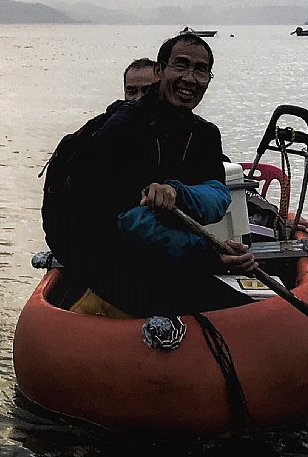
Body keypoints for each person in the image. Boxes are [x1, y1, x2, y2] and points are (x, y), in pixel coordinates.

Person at [45, 32, 256, 317]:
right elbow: (133, 222)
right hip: (102, 250)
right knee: (205, 309)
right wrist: (209, 254)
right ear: (159, 71)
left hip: (150, 247)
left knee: (241, 308)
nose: (190, 78)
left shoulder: (205, 134)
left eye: (200, 70)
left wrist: (177, 192)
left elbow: (218, 196)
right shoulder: (124, 128)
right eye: (180, 65)